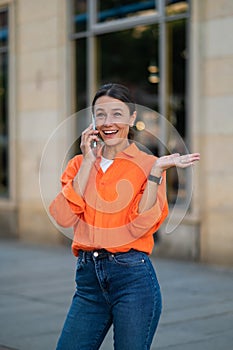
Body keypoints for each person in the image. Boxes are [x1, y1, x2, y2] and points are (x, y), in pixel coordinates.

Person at [49, 83, 200, 350]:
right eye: (101, 114)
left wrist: (155, 174)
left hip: (132, 279)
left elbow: (141, 224)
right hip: (88, 284)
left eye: (117, 114)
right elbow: (62, 216)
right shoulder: (77, 164)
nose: (108, 122)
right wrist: (87, 161)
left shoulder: (147, 164)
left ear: (132, 118)